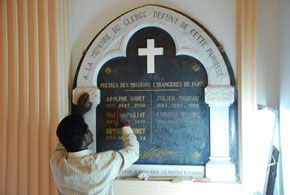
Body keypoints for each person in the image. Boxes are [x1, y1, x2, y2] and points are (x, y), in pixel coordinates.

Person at [50, 93, 139, 195]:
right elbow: (133, 152)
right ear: (84, 137)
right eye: (87, 130)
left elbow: (64, 138)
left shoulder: (57, 162)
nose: (90, 132)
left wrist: (79, 114)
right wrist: (125, 124)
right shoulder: (103, 163)